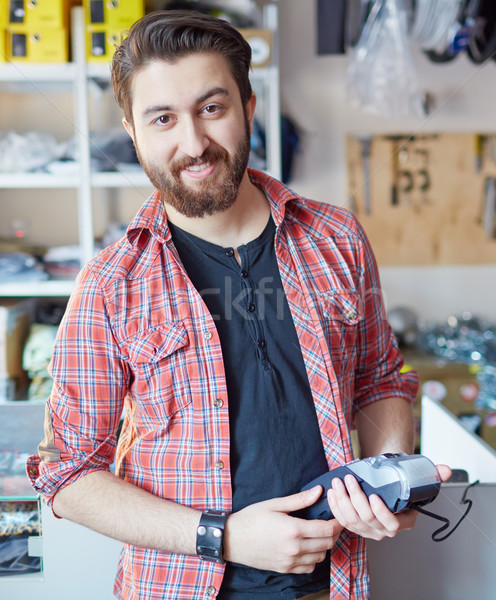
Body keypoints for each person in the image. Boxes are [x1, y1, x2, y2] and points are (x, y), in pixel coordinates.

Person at [27, 10, 451, 600]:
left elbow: (380, 381)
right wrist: (219, 536)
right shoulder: (109, 285)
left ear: (249, 107)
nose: (193, 143)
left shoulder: (337, 239)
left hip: (332, 585)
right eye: (163, 119)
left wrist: (389, 478)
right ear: (133, 131)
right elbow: (68, 474)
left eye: (211, 108)